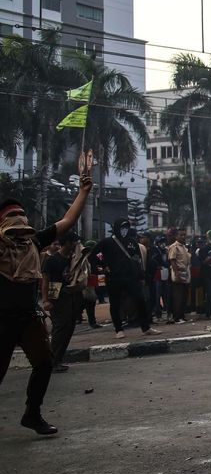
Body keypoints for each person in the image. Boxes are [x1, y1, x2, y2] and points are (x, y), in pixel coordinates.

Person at [0, 174, 93, 435]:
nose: (19, 224)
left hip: (28, 317)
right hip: (2, 320)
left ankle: (32, 413)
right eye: (12, 218)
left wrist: (83, 192)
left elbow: (68, 220)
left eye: (22, 217)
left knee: (43, 363)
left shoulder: (35, 242)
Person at [93, 219, 159, 338]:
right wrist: (103, 267)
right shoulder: (107, 242)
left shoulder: (132, 242)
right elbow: (93, 256)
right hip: (114, 278)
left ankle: (146, 327)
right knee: (115, 304)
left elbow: (137, 260)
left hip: (131, 278)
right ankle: (118, 329)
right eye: (122, 227)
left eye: (126, 227)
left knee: (140, 301)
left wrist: (141, 276)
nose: (124, 230)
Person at [43, 231, 89, 372]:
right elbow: (45, 281)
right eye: (75, 242)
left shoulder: (74, 259)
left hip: (72, 296)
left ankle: (58, 359)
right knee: (60, 329)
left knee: (69, 328)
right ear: (68, 242)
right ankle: (51, 361)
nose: (77, 244)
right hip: (57, 295)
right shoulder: (52, 260)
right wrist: (46, 300)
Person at [167, 229, 191, 323]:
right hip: (177, 271)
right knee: (178, 296)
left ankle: (182, 316)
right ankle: (176, 317)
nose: (183, 237)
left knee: (184, 295)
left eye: (184, 235)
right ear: (176, 236)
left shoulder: (184, 247)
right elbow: (172, 260)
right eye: (181, 235)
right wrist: (177, 274)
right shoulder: (174, 247)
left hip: (185, 271)